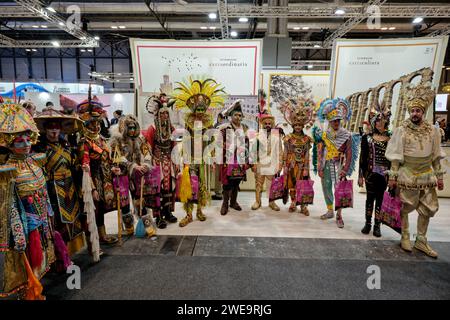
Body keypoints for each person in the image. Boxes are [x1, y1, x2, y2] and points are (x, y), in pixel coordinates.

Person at [0, 102, 62, 299]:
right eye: (19, 141)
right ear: (9, 143)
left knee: (40, 260)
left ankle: (35, 288)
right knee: (25, 262)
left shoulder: (36, 161)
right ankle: (28, 291)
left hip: (42, 220)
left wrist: (49, 214)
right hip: (25, 225)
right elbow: (8, 203)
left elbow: (43, 191)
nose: (26, 144)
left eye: (28, 139)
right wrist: (17, 230)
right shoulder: (8, 170)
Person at [385, 82, 445, 258]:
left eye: (418, 111)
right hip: (408, 174)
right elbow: (396, 156)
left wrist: (439, 176)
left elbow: (436, 155)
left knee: (428, 208)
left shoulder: (433, 131)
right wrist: (393, 176)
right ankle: (405, 235)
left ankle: (421, 239)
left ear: (423, 112)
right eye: (412, 111)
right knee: (405, 206)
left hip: (427, 174)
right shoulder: (401, 130)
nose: (415, 114)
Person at [172, 78, 227, 226]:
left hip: (203, 160)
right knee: (189, 185)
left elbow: (211, 142)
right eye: (198, 109)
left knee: (202, 185)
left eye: (203, 110)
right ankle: (189, 214)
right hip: (190, 159)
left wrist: (211, 158)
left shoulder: (208, 125)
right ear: (193, 110)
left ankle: (199, 211)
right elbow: (185, 142)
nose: (200, 112)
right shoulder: (188, 124)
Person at [33, 108, 85, 259]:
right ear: (45, 129)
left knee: (73, 218)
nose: (54, 131)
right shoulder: (39, 148)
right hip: (52, 188)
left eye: (57, 127)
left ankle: (70, 251)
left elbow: (74, 165)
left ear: (61, 129)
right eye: (51, 128)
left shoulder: (67, 146)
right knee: (56, 222)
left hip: (70, 186)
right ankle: (59, 257)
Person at [77, 98, 119, 249]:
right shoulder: (84, 142)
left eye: (97, 123)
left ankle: (102, 235)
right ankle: (93, 243)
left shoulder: (101, 140)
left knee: (101, 209)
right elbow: (85, 167)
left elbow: (107, 159)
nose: (95, 126)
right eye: (91, 124)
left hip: (104, 178)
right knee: (92, 212)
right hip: (92, 180)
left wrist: (113, 169)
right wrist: (92, 188)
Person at [313, 98, 359, 228]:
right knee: (326, 186)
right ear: (330, 121)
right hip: (327, 164)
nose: (336, 123)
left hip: (339, 164)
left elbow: (349, 153)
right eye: (333, 121)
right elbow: (321, 151)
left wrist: (345, 169)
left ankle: (339, 214)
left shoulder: (346, 135)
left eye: (338, 120)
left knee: (338, 189)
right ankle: (329, 210)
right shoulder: (325, 135)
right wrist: (320, 167)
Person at [109, 115, 153, 235]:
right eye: (130, 128)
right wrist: (132, 166)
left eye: (134, 128)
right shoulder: (117, 140)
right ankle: (129, 227)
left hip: (138, 174)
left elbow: (147, 152)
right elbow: (117, 157)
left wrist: (146, 164)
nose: (132, 130)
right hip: (122, 174)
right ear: (124, 128)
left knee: (140, 200)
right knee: (124, 202)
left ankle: (148, 227)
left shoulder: (140, 139)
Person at [143, 93, 178, 229]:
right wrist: (148, 163)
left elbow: (174, 145)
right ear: (157, 114)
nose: (165, 116)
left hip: (168, 161)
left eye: (166, 114)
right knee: (158, 189)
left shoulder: (171, 129)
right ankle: (158, 217)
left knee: (169, 188)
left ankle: (168, 212)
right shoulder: (152, 129)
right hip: (157, 162)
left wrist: (176, 161)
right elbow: (148, 146)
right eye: (162, 114)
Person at [358, 106, 391, 238]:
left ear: (386, 122)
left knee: (380, 200)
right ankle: (368, 223)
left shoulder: (390, 139)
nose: (379, 123)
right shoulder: (367, 138)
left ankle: (377, 225)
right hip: (370, 174)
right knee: (369, 199)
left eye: (381, 120)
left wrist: (392, 175)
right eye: (376, 120)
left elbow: (392, 159)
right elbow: (362, 158)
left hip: (384, 176)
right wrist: (361, 176)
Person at [279, 97, 315, 214]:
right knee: (292, 184)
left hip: (302, 166)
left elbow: (306, 154)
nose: (298, 127)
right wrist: (284, 164)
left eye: (300, 125)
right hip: (291, 164)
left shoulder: (306, 139)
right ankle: (293, 202)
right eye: (296, 125)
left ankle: (303, 206)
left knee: (303, 185)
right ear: (293, 126)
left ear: (303, 126)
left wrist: (305, 168)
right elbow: (285, 151)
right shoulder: (288, 138)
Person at [219, 100, 250, 215]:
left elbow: (247, 144)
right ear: (231, 116)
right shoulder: (224, 128)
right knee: (227, 183)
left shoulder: (245, 128)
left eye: (239, 115)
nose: (238, 117)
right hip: (228, 159)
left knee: (237, 181)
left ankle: (233, 202)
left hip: (240, 159)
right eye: (235, 115)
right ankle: (225, 204)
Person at [251, 109, 283, 211]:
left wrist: (280, 165)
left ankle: (271, 202)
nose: (268, 125)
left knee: (271, 184)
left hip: (272, 164)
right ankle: (257, 201)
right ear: (262, 125)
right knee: (258, 184)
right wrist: (254, 164)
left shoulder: (276, 136)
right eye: (266, 123)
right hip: (260, 163)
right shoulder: (257, 136)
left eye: (270, 123)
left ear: (272, 124)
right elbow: (253, 151)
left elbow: (280, 152)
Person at [212, 113, 226, 200]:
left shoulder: (224, 128)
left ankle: (220, 193)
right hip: (220, 154)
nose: (220, 119)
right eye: (220, 117)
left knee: (221, 175)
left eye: (222, 117)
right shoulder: (216, 127)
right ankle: (219, 192)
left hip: (222, 155)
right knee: (219, 175)